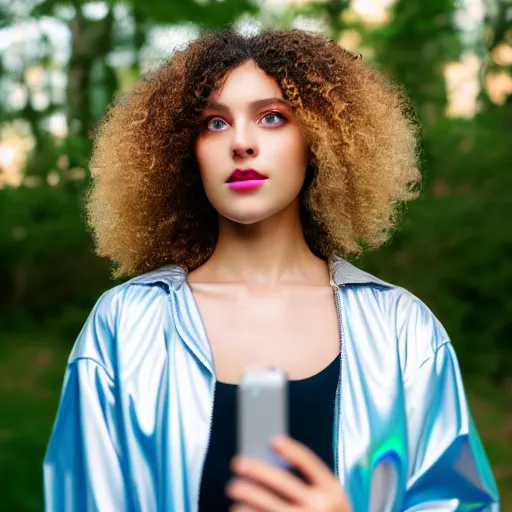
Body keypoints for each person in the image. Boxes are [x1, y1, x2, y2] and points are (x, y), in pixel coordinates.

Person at [43, 28, 499, 511]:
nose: (241, 142)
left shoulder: (403, 332)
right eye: (214, 123)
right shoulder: (124, 325)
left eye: (272, 117)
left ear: (320, 138)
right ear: (183, 151)